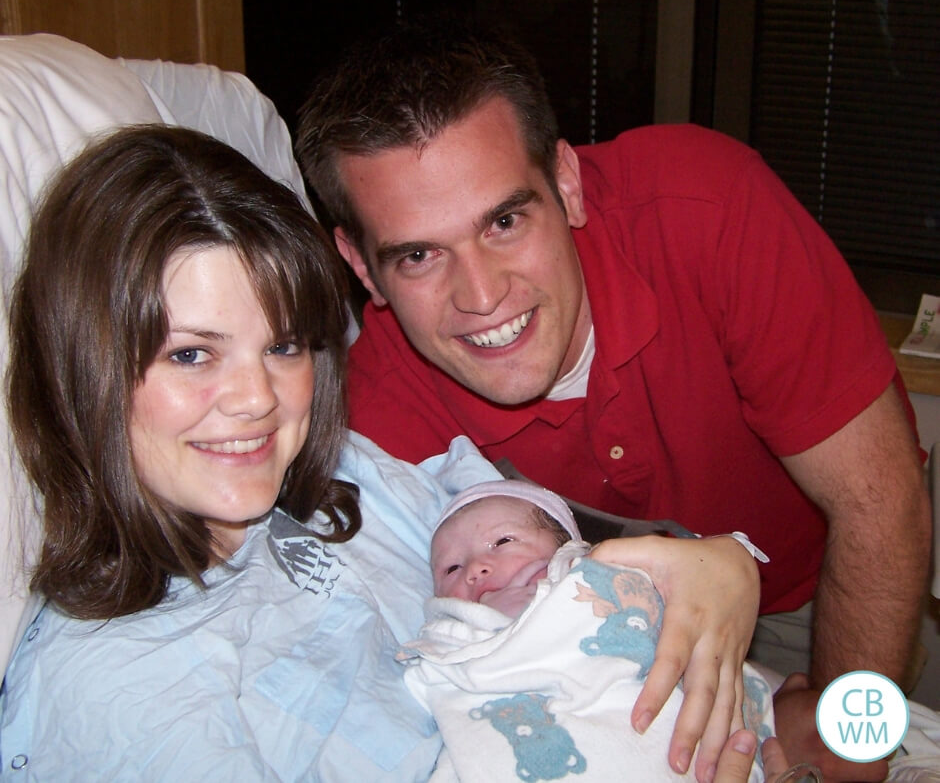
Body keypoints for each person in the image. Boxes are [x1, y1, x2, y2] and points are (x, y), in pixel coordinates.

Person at [0, 124, 762, 782]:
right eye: (193, 356)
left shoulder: (359, 480)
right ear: (85, 369)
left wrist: (708, 564)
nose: (257, 399)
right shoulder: (120, 689)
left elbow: (545, 555)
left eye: (284, 345)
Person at [295, 16, 931, 781]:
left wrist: (842, 747)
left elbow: (879, 500)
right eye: (420, 255)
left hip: (814, 595)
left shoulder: (710, 213)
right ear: (361, 265)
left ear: (565, 183)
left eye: (503, 220)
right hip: (590, 641)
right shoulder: (381, 409)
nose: (483, 295)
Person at [400, 480, 775, 782]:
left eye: (503, 542)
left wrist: (734, 554)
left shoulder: (602, 579)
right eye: (451, 569)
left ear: (568, 548)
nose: (476, 567)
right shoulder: (444, 652)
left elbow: (697, 580)